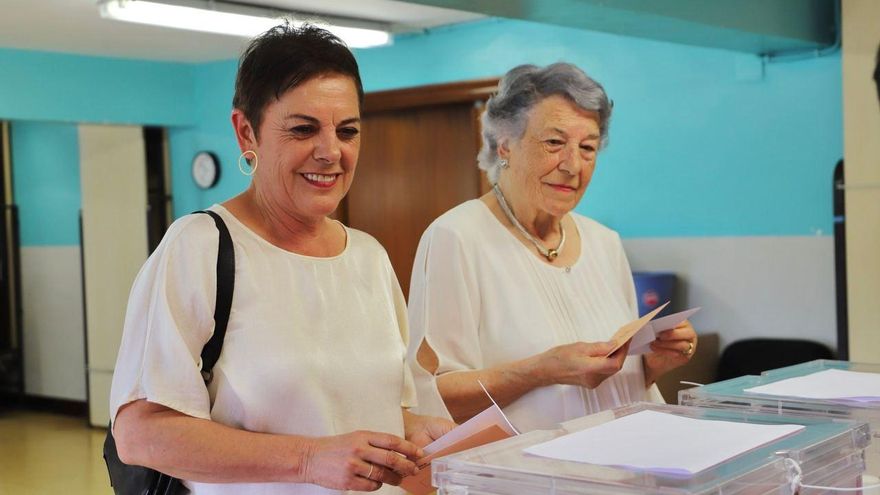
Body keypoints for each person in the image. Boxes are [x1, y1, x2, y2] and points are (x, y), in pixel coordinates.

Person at [109, 23, 454, 495]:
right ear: (245, 131)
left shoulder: (369, 257)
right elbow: (140, 433)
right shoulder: (200, 247)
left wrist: (414, 431)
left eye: (347, 131)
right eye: (303, 129)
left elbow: (385, 406)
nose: (331, 152)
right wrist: (309, 459)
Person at [407, 63, 698, 431]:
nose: (573, 165)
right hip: (524, 464)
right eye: (554, 143)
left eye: (588, 148)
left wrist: (655, 362)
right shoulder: (456, 237)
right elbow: (433, 398)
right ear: (505, 145)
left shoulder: (604, 242)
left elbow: (617, 384)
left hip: (622, 456)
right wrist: (539, 371)